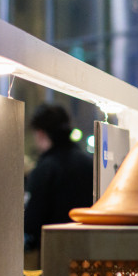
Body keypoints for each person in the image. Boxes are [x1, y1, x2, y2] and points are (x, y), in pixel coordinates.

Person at [23, 103, 93, 255]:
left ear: (41, 133)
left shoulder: (45, 169)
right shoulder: (89, 164)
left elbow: (31, 222)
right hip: (89, 251)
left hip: (55, 256)